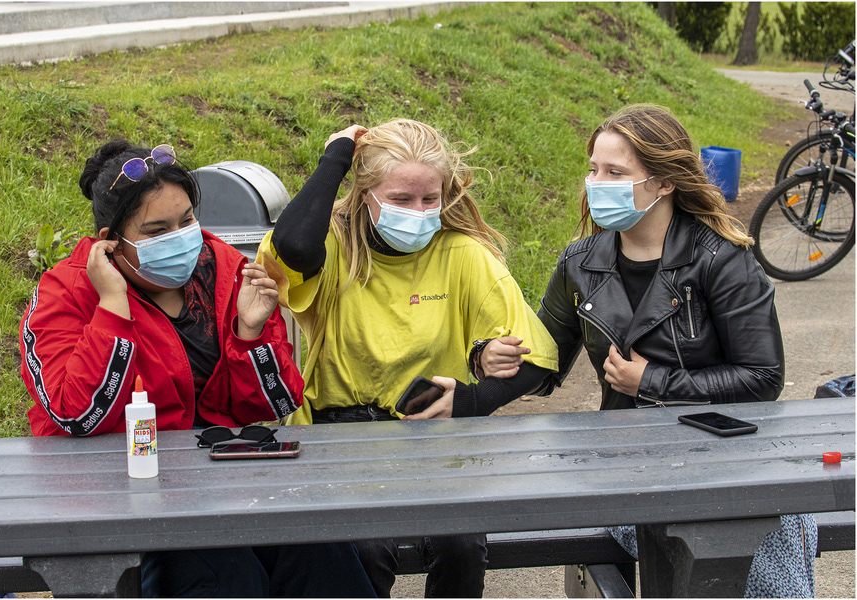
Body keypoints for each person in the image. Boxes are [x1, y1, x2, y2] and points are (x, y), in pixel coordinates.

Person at [481, 104, 818, 597]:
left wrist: (652, 382)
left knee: (743, 541)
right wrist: (486, 363)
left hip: (725, 457)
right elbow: (542, 363)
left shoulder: (722, 258)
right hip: (627, 462)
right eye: (594, 169)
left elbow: (763, 376)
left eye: (615, 173)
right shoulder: (579, 262)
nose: (596, 183)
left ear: (664, 182)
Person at [19, 140, 376, 598]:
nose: (180, 237)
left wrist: (250, 333)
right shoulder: (66, 292)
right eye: (156, 230)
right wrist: (111, 308)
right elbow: (76, 415)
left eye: (186, 220)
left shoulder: (223, 268)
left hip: (222, 480)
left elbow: (275, 402)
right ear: (111, 241)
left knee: (321, 548)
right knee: (225, 573)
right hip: (119, 494)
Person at [258, 119, 560, 597]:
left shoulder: (463, 253)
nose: (418, 212)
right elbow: (292, 247)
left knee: (462, 546)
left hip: (433, 439)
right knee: (364, 549)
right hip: (339, 437)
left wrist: (474, 399)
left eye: (429, 199)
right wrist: (336, 157)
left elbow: (539, 357)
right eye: (401, 199)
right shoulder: (335, 244)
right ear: (364, 195)